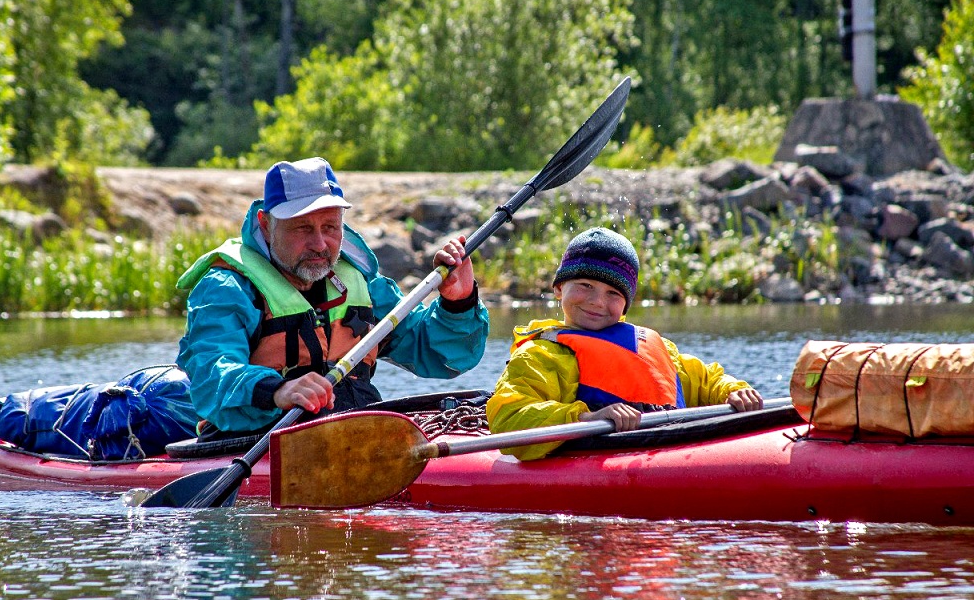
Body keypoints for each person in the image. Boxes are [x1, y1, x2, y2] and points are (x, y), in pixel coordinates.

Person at [176, 157, 490, 440]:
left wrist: (458, 303)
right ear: (265, 224)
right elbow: (211, 371)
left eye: (330, 226)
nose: (319, 243)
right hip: (260, 440)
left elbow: (441, 355)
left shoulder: (358, 282)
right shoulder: (225, 288)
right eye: (302, 228)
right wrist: (277, 391)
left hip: (355, 432)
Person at [486, 227, 763, 460]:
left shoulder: (657, 348)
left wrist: (734, 392)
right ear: (559, 288)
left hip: (667, 454)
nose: (597, 302)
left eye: (613, 293)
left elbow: (707, 380)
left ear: (626, 304)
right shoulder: (541, 354)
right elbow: (510, 420)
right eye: (585, 285)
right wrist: (586, 418)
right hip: (594, 458)